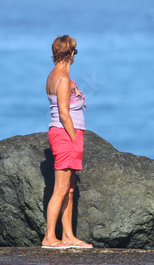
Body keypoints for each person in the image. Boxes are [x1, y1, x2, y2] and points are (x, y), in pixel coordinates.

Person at [41, 35, 93, 249]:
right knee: (61, 189)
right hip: (65, 134)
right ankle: (49, 237)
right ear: (71, 53)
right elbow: (64, 113)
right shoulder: (62, 78)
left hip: (64, 133)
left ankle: (68, 235)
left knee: (70, 189)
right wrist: (73, 138)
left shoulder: (55, 75)